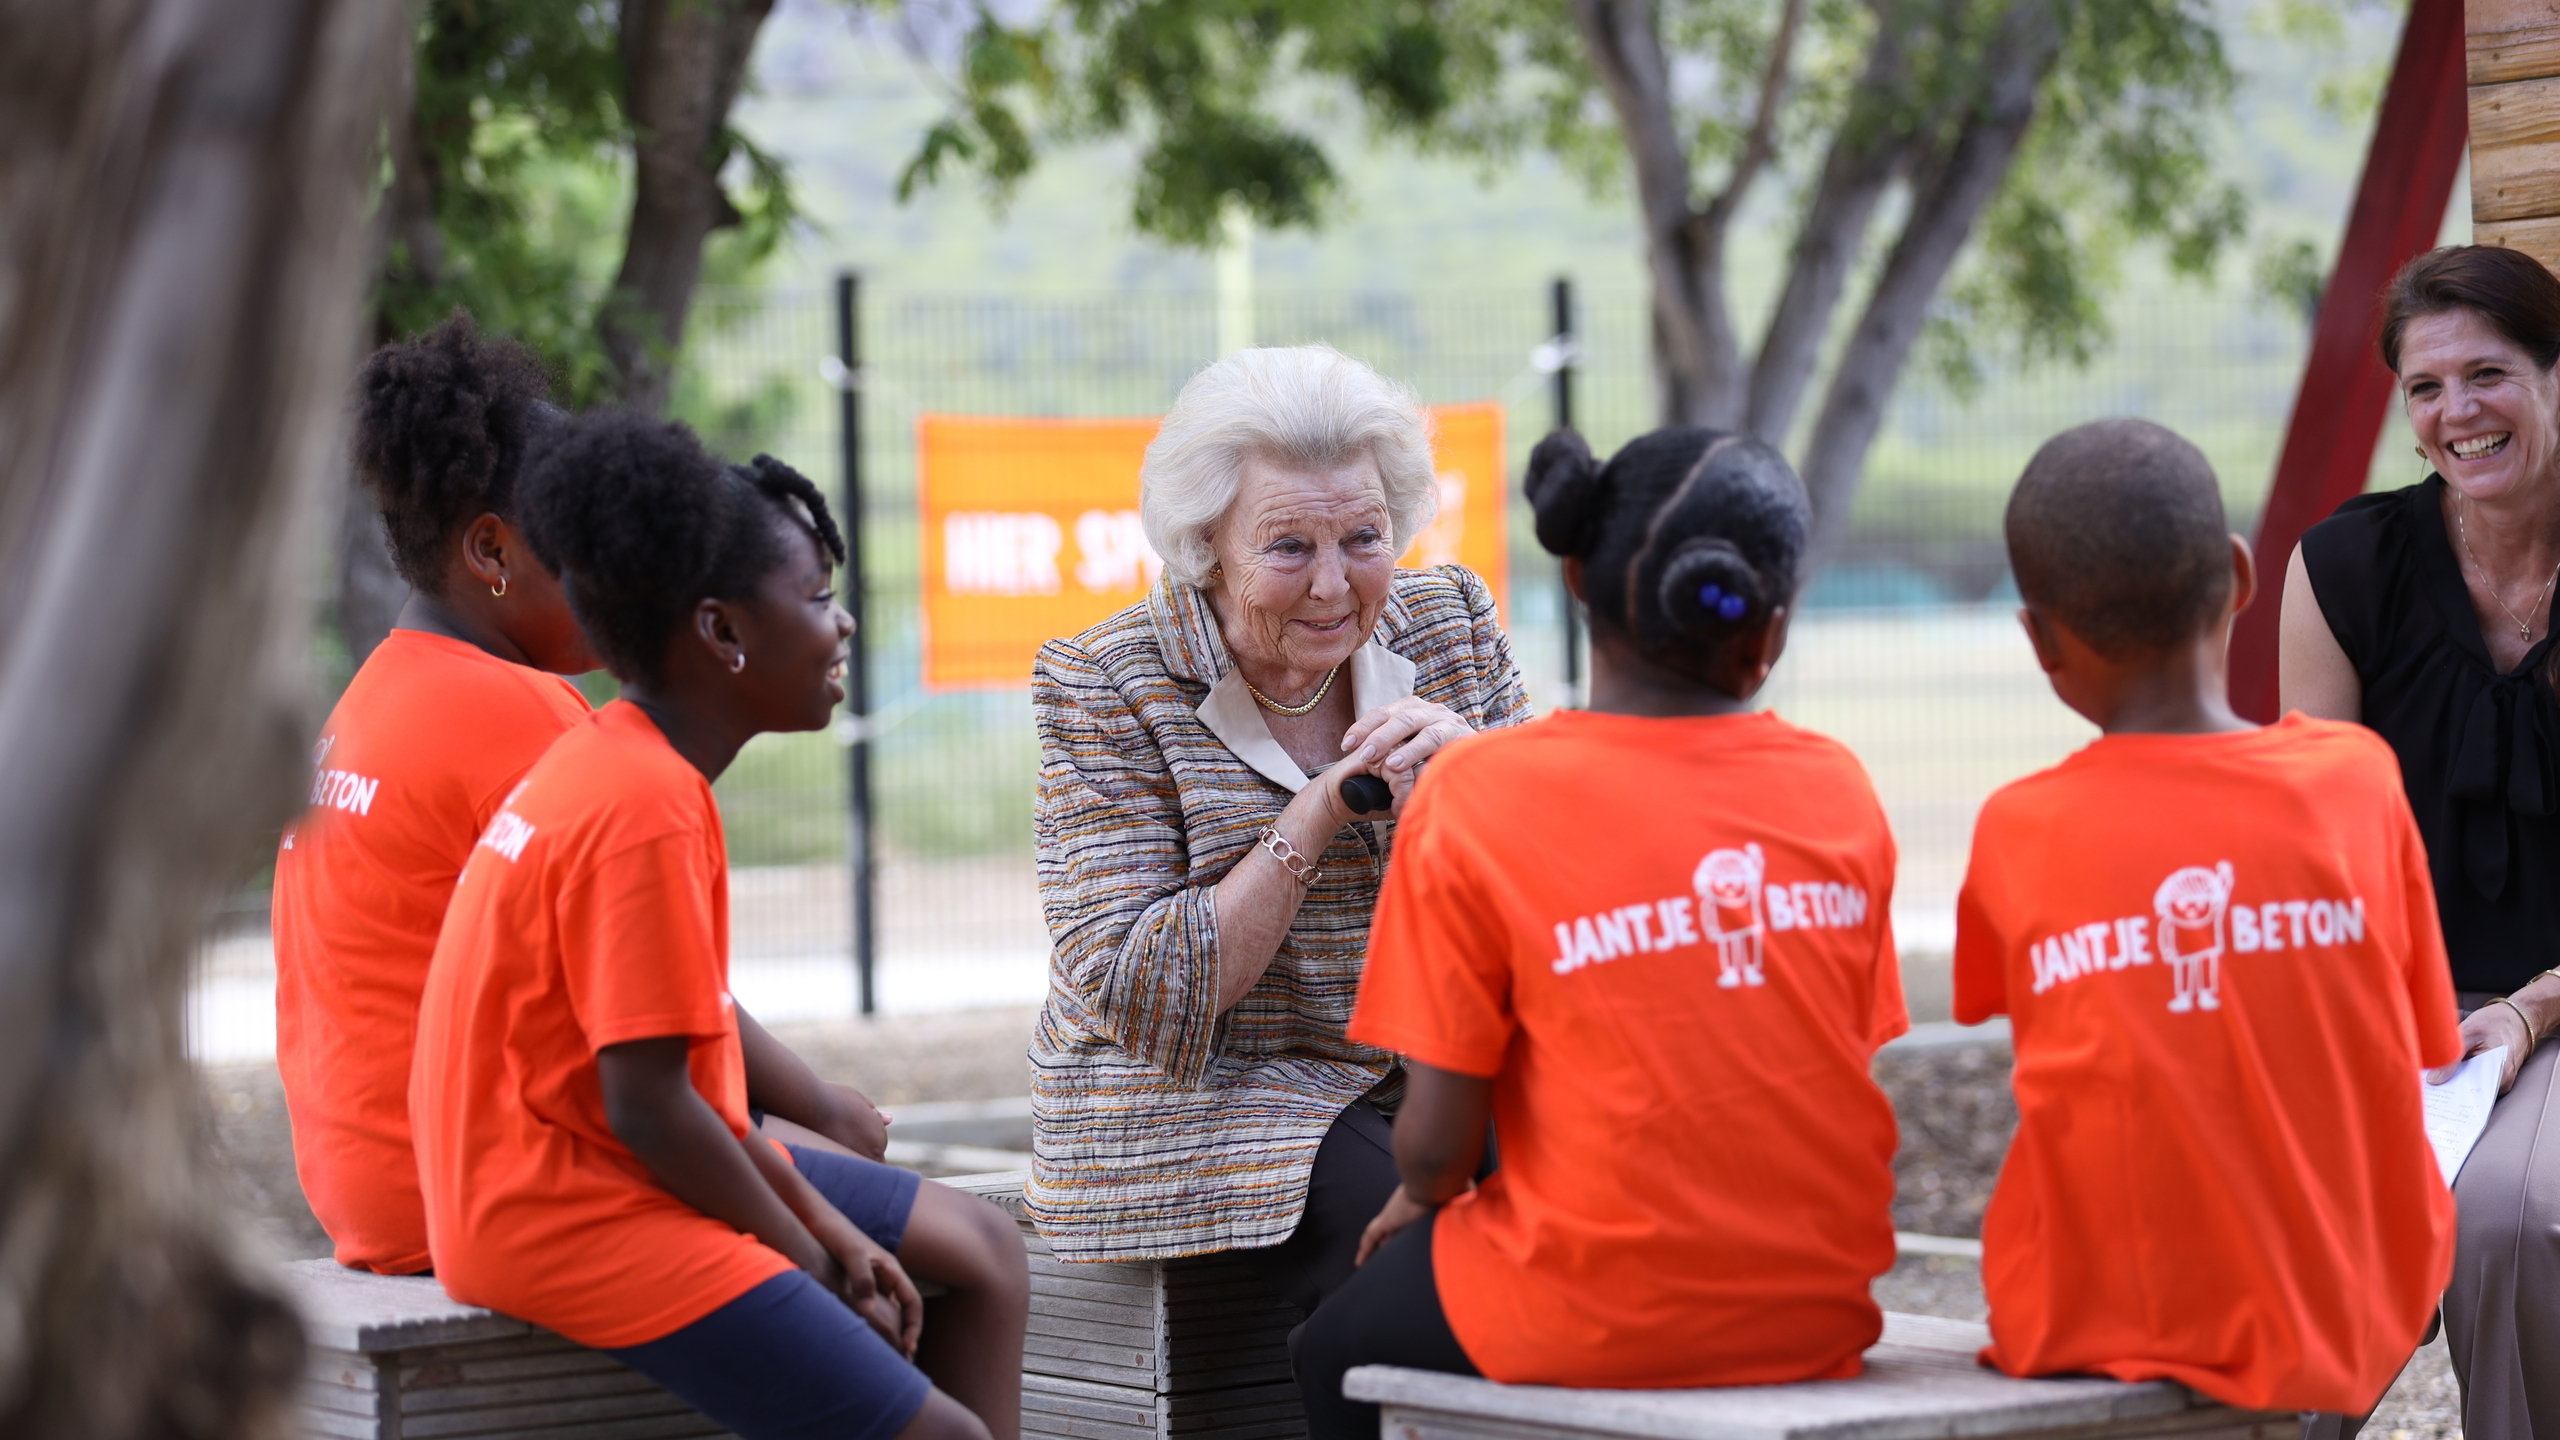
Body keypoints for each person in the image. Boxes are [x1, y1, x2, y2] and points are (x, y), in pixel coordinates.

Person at [411, 414, 1026, 1440]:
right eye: (821, 597)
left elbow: (697, 1095)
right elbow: (647, 1110)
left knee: (982, 1251)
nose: (844, 627)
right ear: (723, 632)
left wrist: (826, 1224)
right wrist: (815, 1262)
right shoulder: (641, 804)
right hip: (558, 1214)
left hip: (583, 1177)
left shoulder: (630, 762)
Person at [1289, 427, 1908, 1440]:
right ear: (1774, 630)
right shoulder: (1835, 785)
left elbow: (1439, 1143)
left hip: (1593, 1307)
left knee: (1332, 1353)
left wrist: (1421, 1200)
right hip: (1818, 1304)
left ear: (1574, 578)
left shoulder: (1479, 794)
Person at [1965, 418, 2460, 1415]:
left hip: (2092, 1317)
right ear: (2239, 578)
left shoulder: (2018, 828)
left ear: (2038, 639)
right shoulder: (2357, 781)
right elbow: (2425, 1043)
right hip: (2355, 1294)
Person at [1026, 345, 1533, 1316]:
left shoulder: (1449, 623)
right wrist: (1318, 810)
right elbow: (1139, 991)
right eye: (1290, 547)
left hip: (1428, 1071)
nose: (1335, 586)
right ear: (1206, 542)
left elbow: (1564, 890)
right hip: (1211, 1094)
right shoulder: (1105, 679)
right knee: (1424, 1259)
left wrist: (1483, 779)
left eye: (1364, 538)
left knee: (1605, 1193)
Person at [2281, 244, 2560, 1438]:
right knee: (2266, 1221)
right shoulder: (2342, 567)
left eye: (2487, 375)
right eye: (2424, 387)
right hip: (2397, 1014)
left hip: (2553, 1008)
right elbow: (2308, 860)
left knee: (2505, 1217)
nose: (2458, 413)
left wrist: (2528, 1014)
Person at [270, 314, 597, 1275]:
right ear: (491, 553)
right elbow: (644, 998)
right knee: (934, 1235)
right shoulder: (524, 712)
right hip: (476, 1193)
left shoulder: (371, 696)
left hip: (367, 1195)